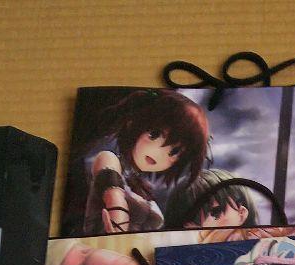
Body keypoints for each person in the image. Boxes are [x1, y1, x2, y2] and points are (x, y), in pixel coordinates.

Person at [84, 89, 209, 234]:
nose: (158, 152)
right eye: (154, 135)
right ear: (134, 123)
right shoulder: (108, 159)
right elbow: (115, 199)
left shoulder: (143, 188)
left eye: (174, 152)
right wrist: (118, 222)